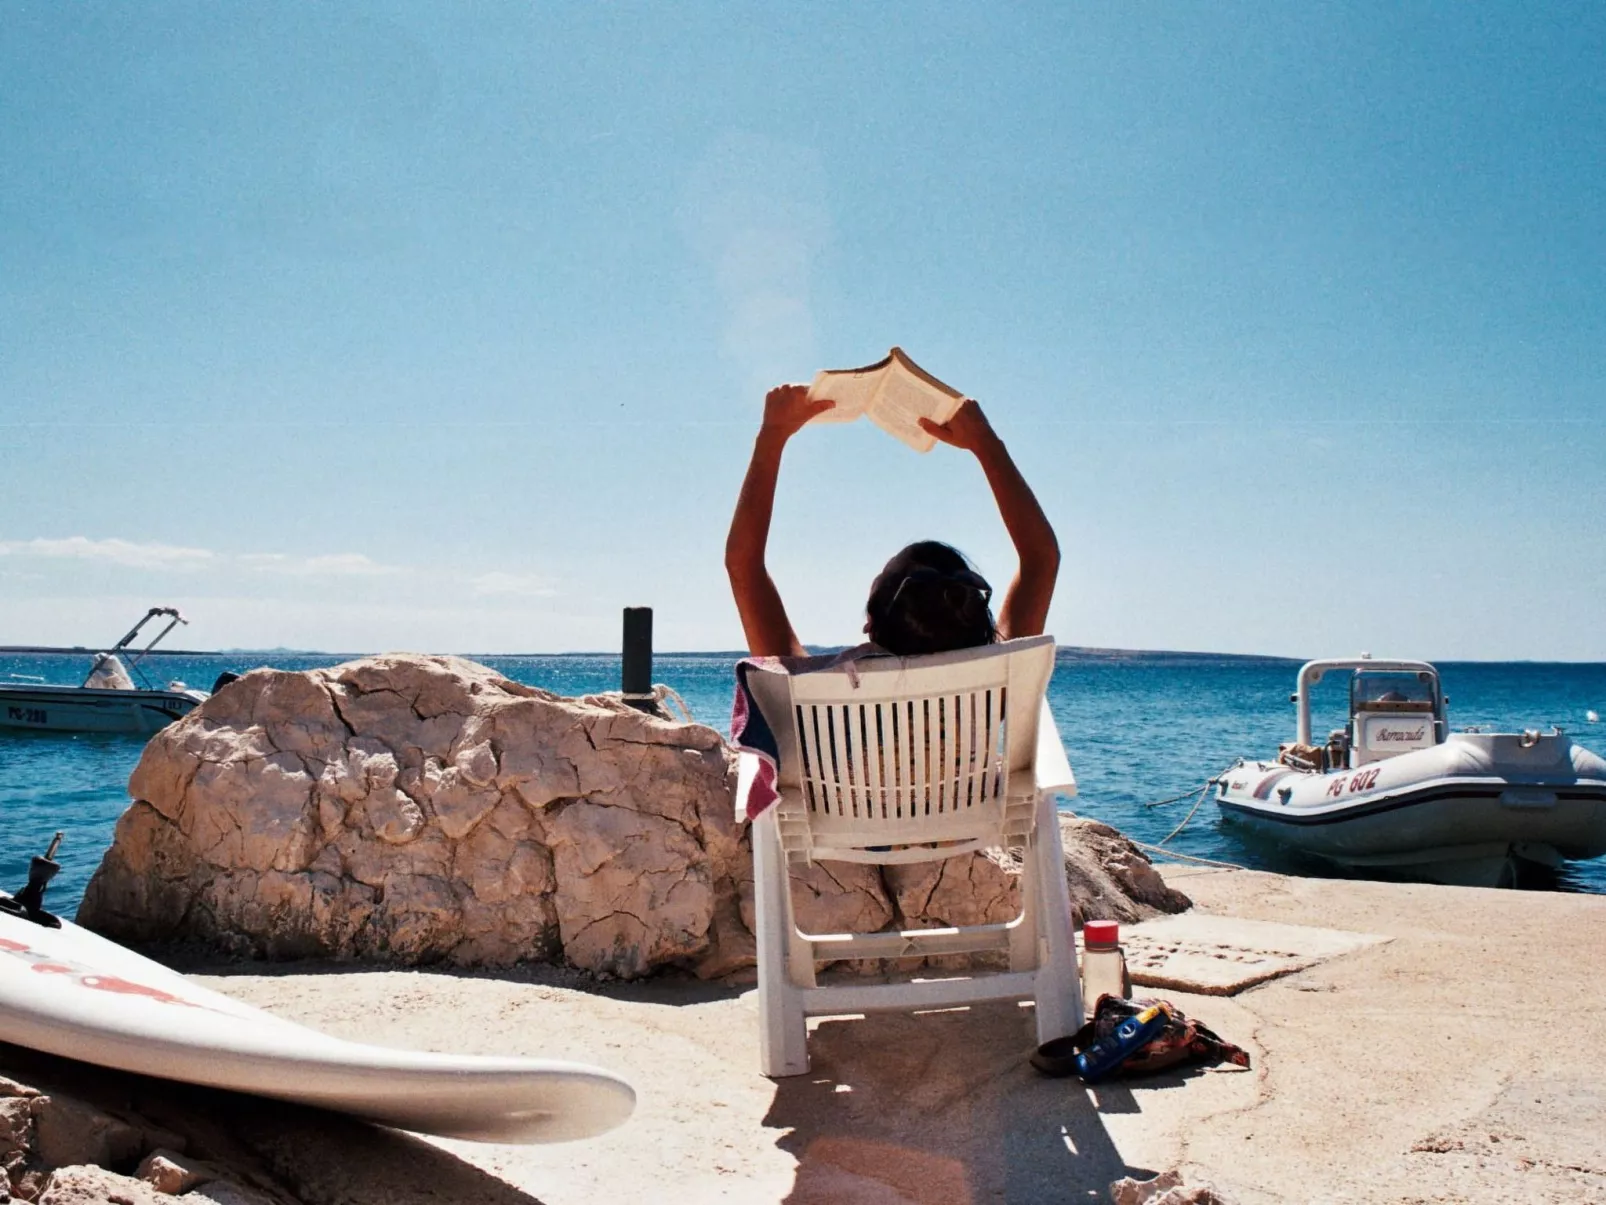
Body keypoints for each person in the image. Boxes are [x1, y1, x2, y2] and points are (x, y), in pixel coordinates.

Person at [725, 383, 1059, 658]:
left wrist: (772, 435)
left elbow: (743, 564)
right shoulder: (998, 682)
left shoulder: (816, 691)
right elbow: (1041, 558)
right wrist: (986, 444)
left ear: (870, 623)